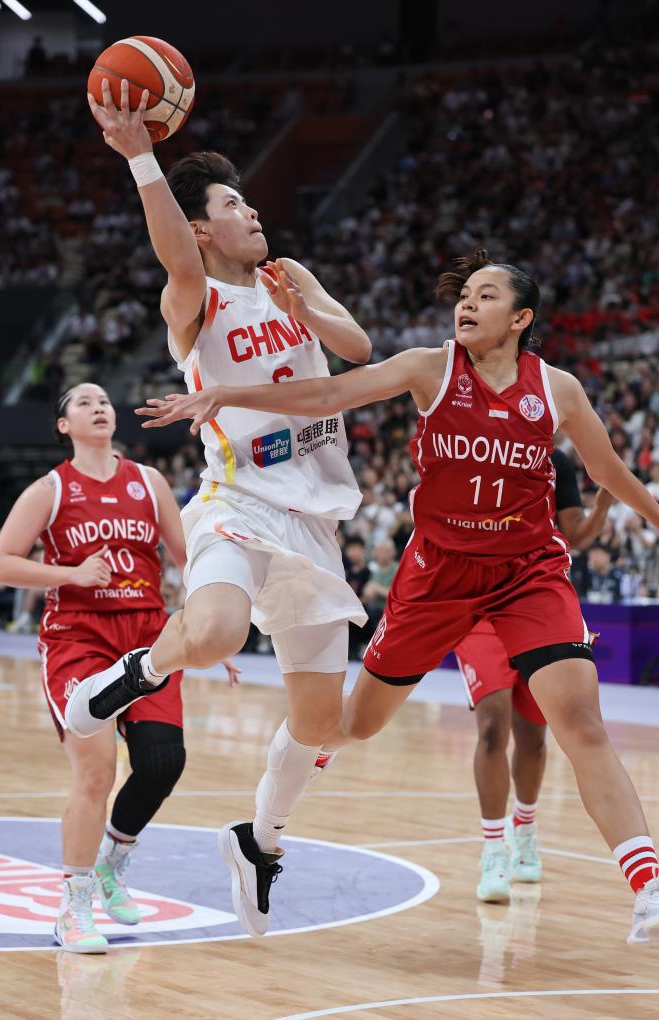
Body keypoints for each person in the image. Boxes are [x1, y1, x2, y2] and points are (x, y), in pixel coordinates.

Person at [132, 249, 659, 943]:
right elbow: (328, 396)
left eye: (487, 295)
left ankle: (648, 888)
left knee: (580, 720)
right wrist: (228, 394)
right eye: (465, 294)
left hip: (527, 572)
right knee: (350, 724)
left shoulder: (556, 388)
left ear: (521, 318)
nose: (467, 303)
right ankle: (260, 831)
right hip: (438, 578)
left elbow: (606, 469)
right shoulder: (428, 368)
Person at [66, 79, 370, 938]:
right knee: (216, 633)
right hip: (238, 498)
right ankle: (124, 682)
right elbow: (173, 256)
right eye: (233, 204)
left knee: (323, 723)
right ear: (202, 228)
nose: (252, 210)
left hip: (315, 516)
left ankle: (258, 838)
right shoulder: (193, 296)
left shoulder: (288, 275)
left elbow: (356, 350)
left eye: (248, 200)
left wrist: (304, 308)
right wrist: (142, 161)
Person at [0, 383, 239, 954]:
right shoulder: (50, 489)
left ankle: (113, 858)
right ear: (63, 425)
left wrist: (214, 628)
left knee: (162, 761)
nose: (98, 407)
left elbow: (189, 559)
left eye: (103, 401)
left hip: (149, 635)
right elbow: (2, 565)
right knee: (96, 771)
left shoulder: (148, 482)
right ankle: (73, 906)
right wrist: (70, 575)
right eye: (84, 402)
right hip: (79, 638)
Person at [455, 449, 614, 903]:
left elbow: (575, 533)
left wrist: (605, 498)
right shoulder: (467, 445)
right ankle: (493, 850)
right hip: (478, 606)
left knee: (533, 736)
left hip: (535, 603)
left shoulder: (555, 460)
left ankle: (524, 827)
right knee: (492, 728)